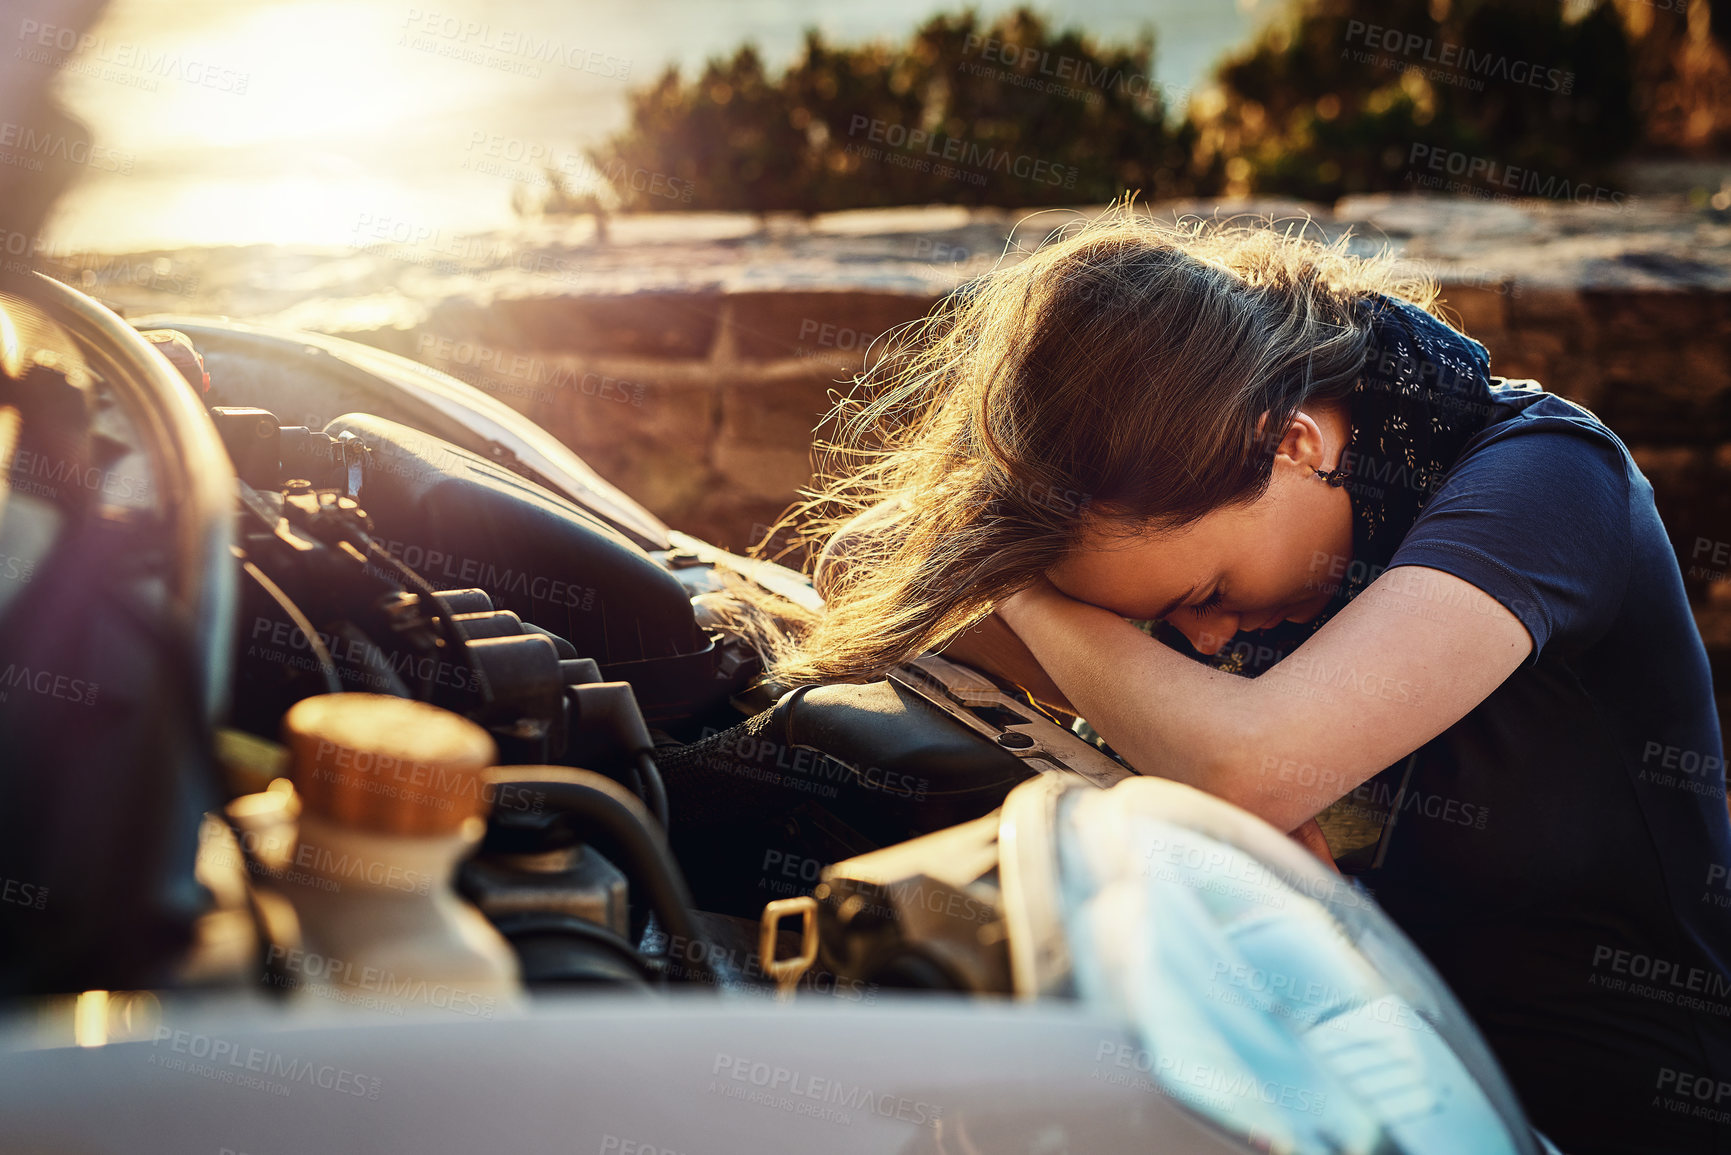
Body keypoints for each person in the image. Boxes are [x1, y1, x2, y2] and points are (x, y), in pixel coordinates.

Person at [778, 209, 1731, 1155]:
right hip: (1348, 1082)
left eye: (1205, 592)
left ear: (1293, 444)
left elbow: (1250, 766)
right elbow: (862, 564)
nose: (1199, 637)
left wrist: (1024, 593)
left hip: (1603, 1118)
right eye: (1159, 619)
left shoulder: (1550, 480)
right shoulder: (1278, 539)